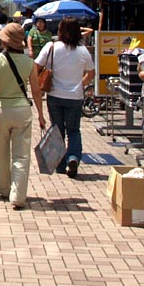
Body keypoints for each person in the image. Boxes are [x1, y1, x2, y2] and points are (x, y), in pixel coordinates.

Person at [0, 22, 45, 208]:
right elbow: (36, 91)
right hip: (22, 110)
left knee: (1, 151)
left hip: (1, 107)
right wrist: (41, 115)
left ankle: (4, 188)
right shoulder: (29, 63)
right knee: (21, 155)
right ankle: (18, 195)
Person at [34, 18, 96, 178]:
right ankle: (73, 158)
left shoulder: (52, 47)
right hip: (75, 96)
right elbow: (91, 73)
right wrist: (81, 84)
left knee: (57, 129)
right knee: (74, 130)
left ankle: (60, 164)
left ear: (60, 30)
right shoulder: (83, 51)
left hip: (54, 94)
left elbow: (36, 67)